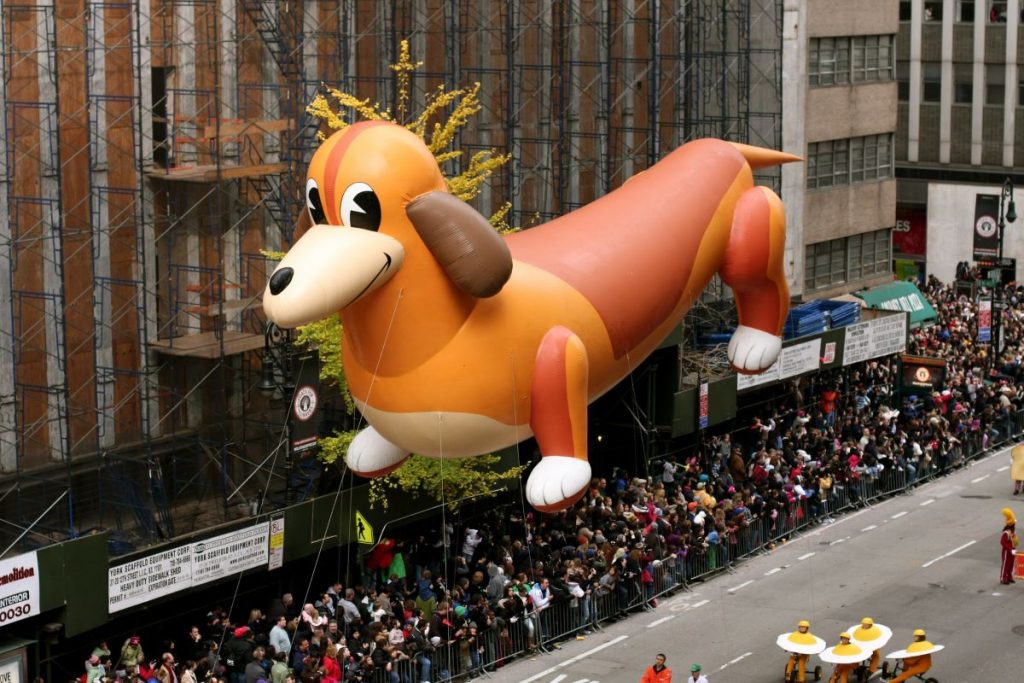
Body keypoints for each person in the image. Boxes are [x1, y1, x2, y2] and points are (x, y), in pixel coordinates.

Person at [1000, 507, 1018, 584]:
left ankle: (1009, 577)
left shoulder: (1012, 532)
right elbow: (1002, 542)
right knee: (1005, 565)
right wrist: (1009, 549)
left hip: (1012, 550)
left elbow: (1015, 542)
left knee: (1011, 564)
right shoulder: (1006, 533)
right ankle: (1003, 578)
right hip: (1007, 551)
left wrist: (1015, 539)